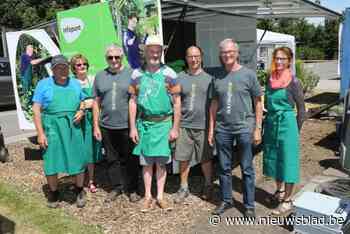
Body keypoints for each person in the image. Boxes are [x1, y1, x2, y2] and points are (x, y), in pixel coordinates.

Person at [208, 38, 263, 217]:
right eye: (224, 52)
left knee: (246, 168)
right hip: (222, 129)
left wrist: (257, 128)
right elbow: (214, 104)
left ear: (237, 53)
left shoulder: (249, 75)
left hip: (244, 128)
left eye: (230, 51)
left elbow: (258, 102)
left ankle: (248, 205)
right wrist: (211, 129)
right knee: (224, 167)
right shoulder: (216, 77)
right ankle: (226, 200)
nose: (227, 55)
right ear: (220, 55)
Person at [129, 35, 181, 212]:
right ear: (145, 52)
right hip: (144, 125)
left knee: (161, 163)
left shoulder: (170, 74)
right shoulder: (136, 74)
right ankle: (147, 196)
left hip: (164, 125)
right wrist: (133, 127)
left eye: (158, 51)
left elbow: (177, 102)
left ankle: (160, 196)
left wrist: (175, 127)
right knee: (146, 163)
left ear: (161, 52)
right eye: (151, 50)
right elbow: (133, 101)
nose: (155, 54)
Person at [32, 55, 88, 208]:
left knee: (78, 159)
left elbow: (82, 100)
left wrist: (82, 110)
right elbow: (36, 109)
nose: (62, 70)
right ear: (53, 69)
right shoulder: (43, 84)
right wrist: (40, 133)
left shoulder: (75, 83)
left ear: (68, 68)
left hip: (73, 127)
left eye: (64, 66)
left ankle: (79, 190)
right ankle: (54, 192)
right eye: (58, 67)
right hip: (52, 128)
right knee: (51, 160)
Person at [92, 45, 140, 203]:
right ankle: (116, 187)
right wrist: (96, 126)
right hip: (106, 126)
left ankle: (132, 189)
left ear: (122, 58)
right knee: (112, 159)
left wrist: (134, 127)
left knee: (131, 159)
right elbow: (96, 102)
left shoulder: (132, 74)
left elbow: (135, 100)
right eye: (110, 57)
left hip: (127, 126)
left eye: (117, 57)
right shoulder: (100, 76)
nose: (114, 60)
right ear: (106, 59)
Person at [263, 47, 305, 216]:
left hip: (288, 125)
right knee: (274, 159)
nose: (279, 62)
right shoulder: (270, 79)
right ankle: (279, 191)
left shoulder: (294, 81)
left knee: (288, 162)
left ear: (289, 61)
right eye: (277, 58)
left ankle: (287, 200)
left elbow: (302, 110)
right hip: (272, 122)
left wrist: (296, 131)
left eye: (283, 59)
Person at [173, 46, 214, 203]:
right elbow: (175, 101)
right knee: (184, 158)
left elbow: (213, 105)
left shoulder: (210, 79)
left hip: (203, 125)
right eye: (190, 56)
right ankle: (184, 187)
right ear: (186, 58)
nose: (194, 59)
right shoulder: (179, 77)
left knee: (205, 159)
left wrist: (212, 128)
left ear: (201, 57)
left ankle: (208, 185)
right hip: (184, 125)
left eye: (196, 56)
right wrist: (175, 126)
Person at [70, 54, 102, 193]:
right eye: (79, 65)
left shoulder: (93, 80)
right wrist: (85, 104)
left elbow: (98, 100)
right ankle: (78, 180)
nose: (82, 66)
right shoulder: (71, 83)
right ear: (73, 68)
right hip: (77, 119)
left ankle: (91, 180)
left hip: (91, 119)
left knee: (90, 151)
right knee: (78, 150)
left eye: (84, 64)